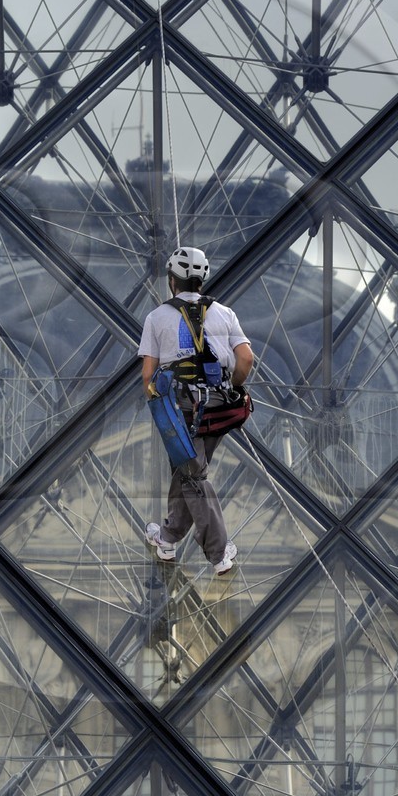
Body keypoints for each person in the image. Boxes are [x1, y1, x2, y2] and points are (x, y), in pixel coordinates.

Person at [138, 246, 254, 575]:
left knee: (192, 475)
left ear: (172, 281)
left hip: (181, 408)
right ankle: (168, 537)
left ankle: (218, 554)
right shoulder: (225, 313)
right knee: (189, 468)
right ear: (203, 279)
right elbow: (246, 359)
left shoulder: (157, 317)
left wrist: (159, 406)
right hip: (219, 407)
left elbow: (148, 375)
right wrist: (233, 385)